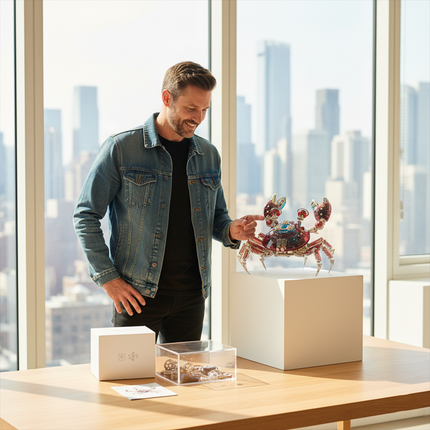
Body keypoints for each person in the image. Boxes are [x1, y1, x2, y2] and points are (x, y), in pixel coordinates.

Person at [74, 61, 263, 343]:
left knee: (187, 384)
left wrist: (231, 231)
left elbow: (217, 217)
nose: (198, 118)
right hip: (137, 296)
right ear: (167, 98)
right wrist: (108, 279)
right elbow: (86, 215)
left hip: (191, 298)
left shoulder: (208, 154)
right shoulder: (122, 149)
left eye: (204, 110)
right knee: (131, 383)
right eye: (190, 109)